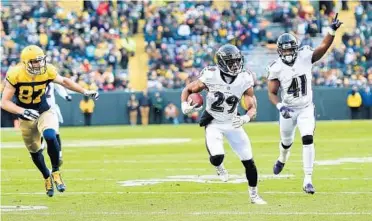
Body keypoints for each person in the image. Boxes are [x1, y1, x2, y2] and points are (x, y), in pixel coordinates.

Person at [1, 45, 99, 197]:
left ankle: (56, 171)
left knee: (51, 135)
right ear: (26, 63)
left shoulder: (47, 70)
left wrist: (84, 91)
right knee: (34, 150)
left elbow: (65, 81)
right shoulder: (15, 74)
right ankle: (46, 176)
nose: (40, 64)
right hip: (25, 116)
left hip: (44, 110)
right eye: (35, 61)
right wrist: (23, 111)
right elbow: (4, 102)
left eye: (41, 60)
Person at [181, 44, 266, 204]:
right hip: (213, 121)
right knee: (217, 157)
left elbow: (252, 106)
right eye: (231, 62)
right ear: (221, 62)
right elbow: (188, 90)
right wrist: (185, 106)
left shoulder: (244, 78)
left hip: (233, 122)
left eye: (236, 61)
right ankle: (219, 167)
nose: (235, 65)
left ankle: (254, 195)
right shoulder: (210, 75)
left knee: (249, 161)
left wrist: (245, 118)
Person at [267, 14, 343, 194]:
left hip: (306, 108)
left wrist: (331, 31)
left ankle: (307, 180)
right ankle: (282, 158)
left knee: (307, 138)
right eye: (284, 51)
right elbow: (271, 92)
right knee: (286, 142)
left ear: (296, 48)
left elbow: (323, 47)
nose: (287, 53)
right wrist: (280, 107)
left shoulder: (305, 56)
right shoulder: (276, 67)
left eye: (290, 50)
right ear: (279, 51)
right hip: (288, 109)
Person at [40, 83, 72, 165]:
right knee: (38, 131)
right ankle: (38, 149)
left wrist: (65, 95)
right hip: (37, 109)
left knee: (55, 133)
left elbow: (59, 86)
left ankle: (59, 154)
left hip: (51, 109)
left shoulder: (50, 75)